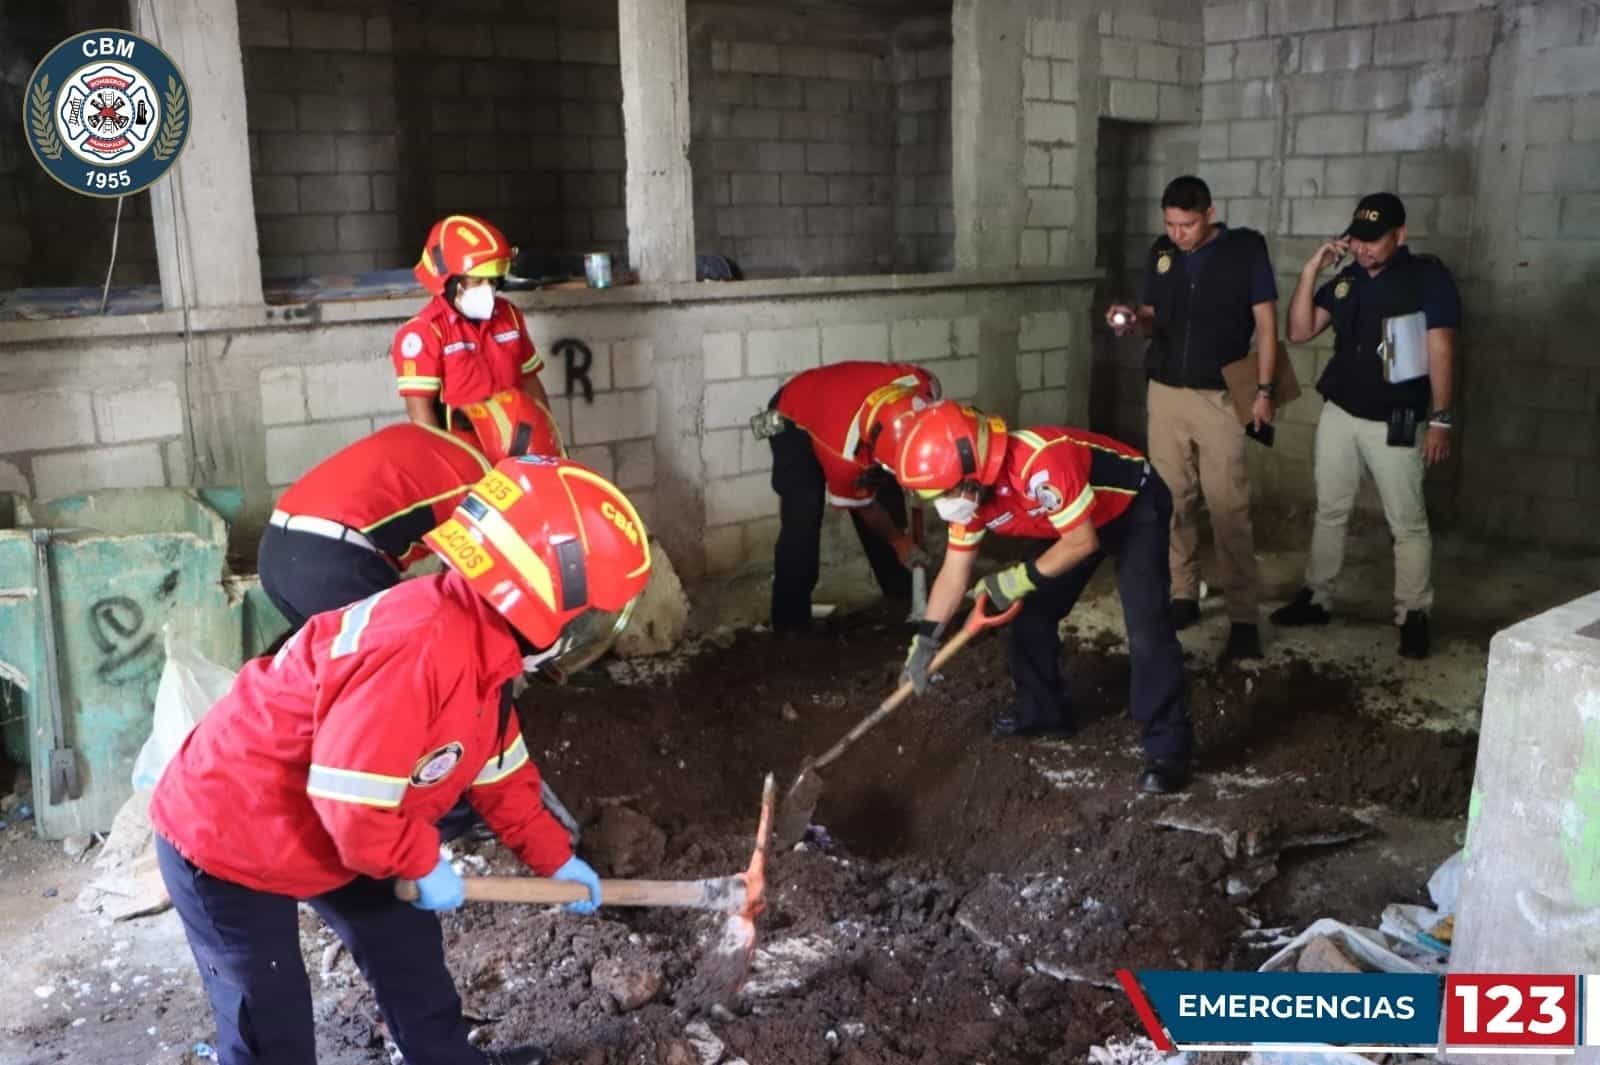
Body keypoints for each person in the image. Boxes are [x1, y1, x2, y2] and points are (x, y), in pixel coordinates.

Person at [151, 456, 651, 1065]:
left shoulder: (482, 651)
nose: (586, 629)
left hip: (330, 827)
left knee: (406, 948)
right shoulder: (419, 650)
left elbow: (501, 775)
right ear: (545, 595)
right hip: (229, 835)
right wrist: (419, 858)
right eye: (590, 611)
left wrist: (557, 860)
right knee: (270, 1020)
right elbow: (353, 811)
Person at [892, 400, 1193, 794]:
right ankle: (1044, 712)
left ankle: (1168, 750)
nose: (943, 503)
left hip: (1133, 508)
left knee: (1146, 627)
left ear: (973, 470)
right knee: (1030, 613)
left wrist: (1018, 577)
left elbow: (1082, 541)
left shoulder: (1039, 462)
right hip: (1070, 521)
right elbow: (953, 572)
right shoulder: (971, 498)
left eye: (946, 491)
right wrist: (926, 640)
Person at [1273, 193, 1459, 660]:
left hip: (1396, 419)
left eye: (1373, 241)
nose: (1363, 248)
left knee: (1407, 522)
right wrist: (1313, 268)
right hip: (1341, 413)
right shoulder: (1347, 280)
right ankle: (1317, 597)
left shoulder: (1427, 279)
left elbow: (1441, 350)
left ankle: (1413, 613)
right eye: (1357, 239)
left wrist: (1440, 419)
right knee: (1331, 510)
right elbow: (1297, 331)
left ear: (1401, 236)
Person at [1107, 175, 1279, 666]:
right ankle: (1184, 592)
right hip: (1165, 393)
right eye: (1170, 224)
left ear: (1209, 214)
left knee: (1228, 507)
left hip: (1221, 396)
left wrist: (1264, 391)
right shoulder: (1162, 253)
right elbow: (1152, 315)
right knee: (1171, 500)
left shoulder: (1245, 250)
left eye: (1187, 225)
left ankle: (1244, 617)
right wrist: (1130, 319)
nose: (1178, 234)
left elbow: (1265, 323)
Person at [259, 390, 564, 632]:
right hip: (329, 559)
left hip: (275, 552)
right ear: (517, 454)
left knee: (336, 676)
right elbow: (485, 584)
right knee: (402, 670)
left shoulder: (422, 440)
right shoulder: (477, 475)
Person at [760, 360, 942, 633]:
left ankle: (901, 592)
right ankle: (790, 622)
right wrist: (898, 540)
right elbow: (865, 507)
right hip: (792, 413)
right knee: (803, 513)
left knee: (886, 491)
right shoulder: (846, 457)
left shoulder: (924, 386)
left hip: (839, 399)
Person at [393, 214, 553, 432]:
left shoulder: (509, 316)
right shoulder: (424, 333)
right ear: (450, 282)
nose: (487, 289)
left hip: (516, 443)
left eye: (492, 281)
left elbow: (531, 383)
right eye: (477, 281)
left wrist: (548, 434)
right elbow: (421, 415)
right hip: (464, 450)